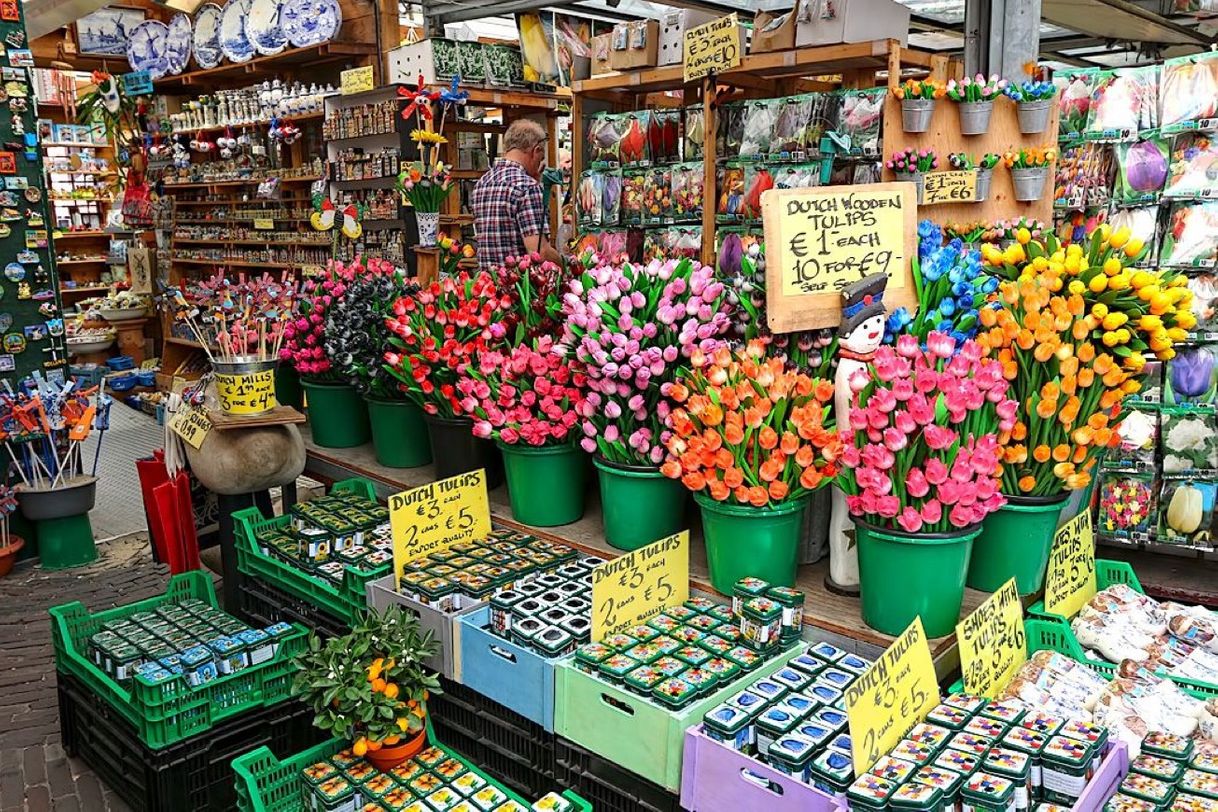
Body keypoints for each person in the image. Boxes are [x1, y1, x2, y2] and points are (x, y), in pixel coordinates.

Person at [471, 119, 562, 270]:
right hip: (519, 288)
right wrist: (565, 264)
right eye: (541, 157)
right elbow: (540, 252)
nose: (540, 163)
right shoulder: (527, 187)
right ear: (536, 150)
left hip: (488, 286)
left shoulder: (483, 182)